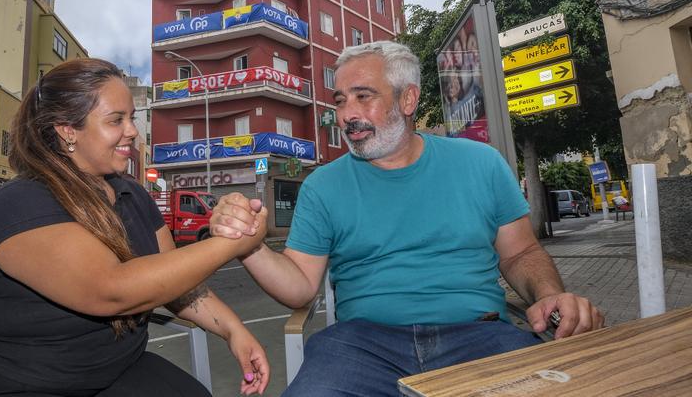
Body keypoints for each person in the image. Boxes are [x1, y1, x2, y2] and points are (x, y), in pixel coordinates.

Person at [210, 41, 604, 396]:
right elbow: (298, 287)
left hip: (480, 337)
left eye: (363, 97)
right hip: (361, 346)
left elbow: (520, 254)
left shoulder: (479, 163)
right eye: (340, 101)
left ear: (408, 99)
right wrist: (251, 244)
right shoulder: (322, 186)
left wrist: (549, 294)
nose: (347, 115)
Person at [0, 58, 269, 397]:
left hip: (115, 370)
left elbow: (177, 284)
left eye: (132, 118)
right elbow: (111, 291)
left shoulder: (134, 195)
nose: (132, 131)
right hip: (17, 379)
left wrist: (233, 330)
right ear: (68, 130)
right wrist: (232, 243)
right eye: (116, 120)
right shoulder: (22, 201)